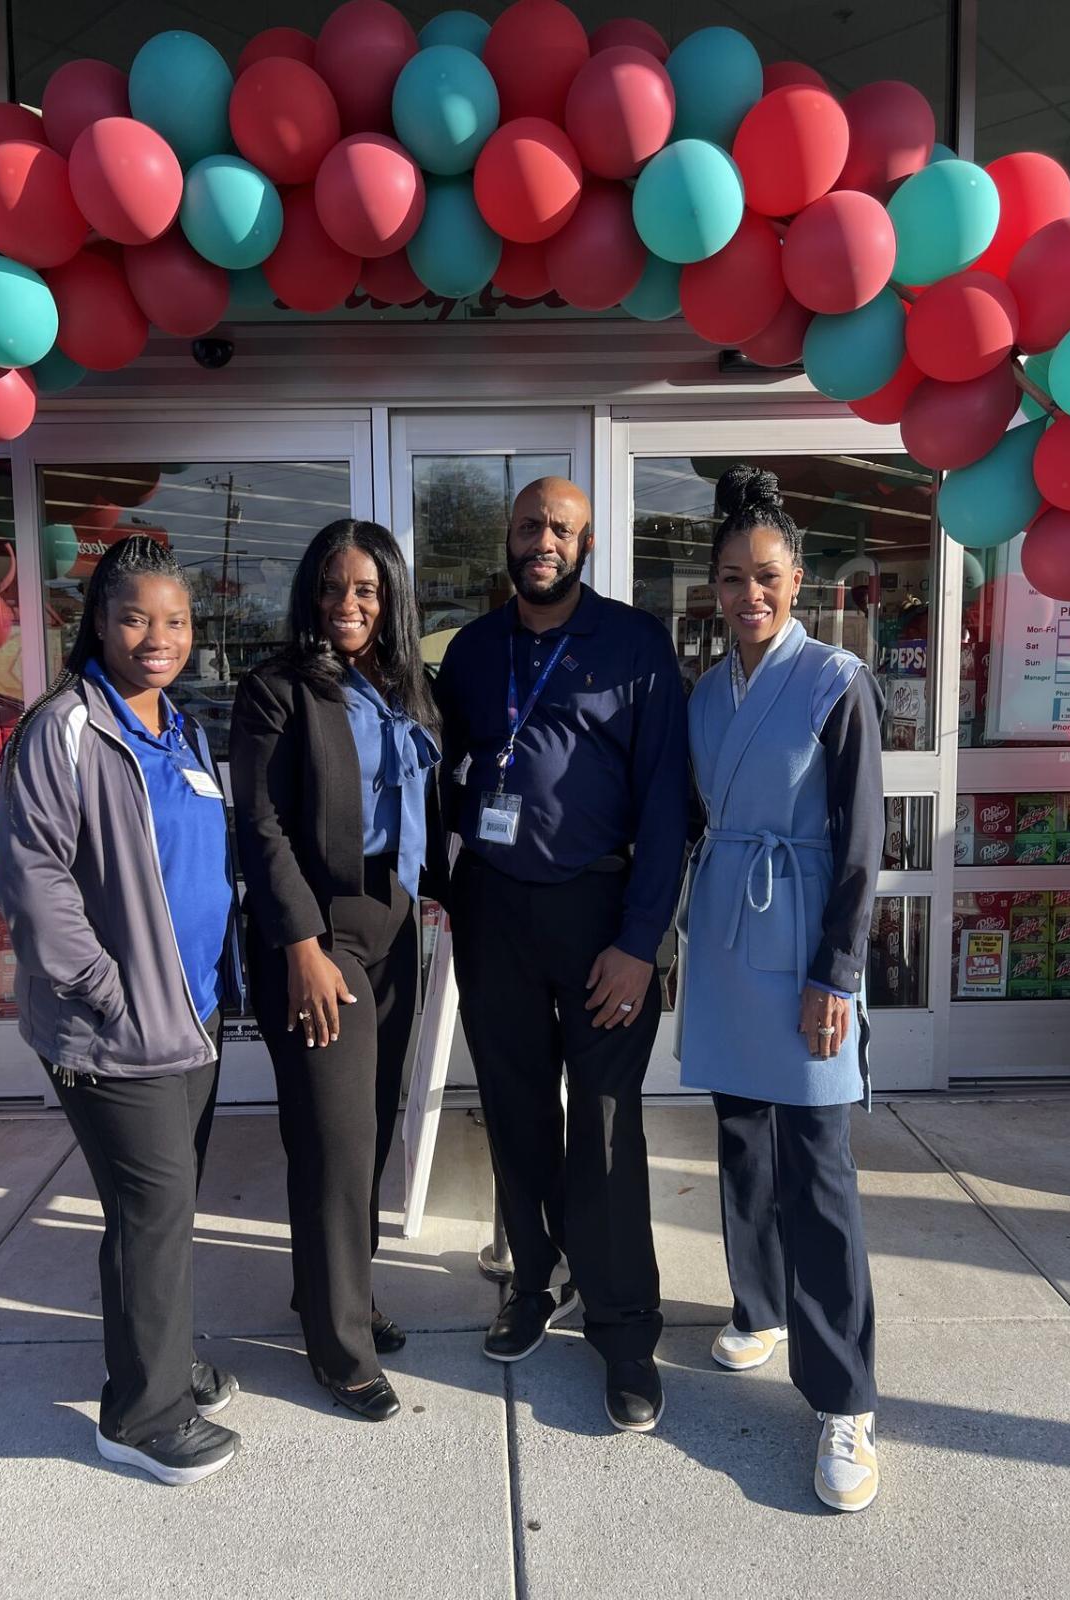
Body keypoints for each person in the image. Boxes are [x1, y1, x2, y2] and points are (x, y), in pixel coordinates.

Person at [434, 476, 687, 1433]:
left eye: (565, 529)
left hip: (602, 922)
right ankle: (535, 1281)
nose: (546, 539)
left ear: (585, 545)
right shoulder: (469, 651)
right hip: (494, 912)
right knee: (515, 1112)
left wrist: (638, 941)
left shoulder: (634, 647)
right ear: (508, 534)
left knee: (609, 1131)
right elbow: (448, 774)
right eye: (534, 523)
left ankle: (624, 1332)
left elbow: (667, 807)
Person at [0, 535, 243, 1486]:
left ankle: (163, 1360)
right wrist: (105, 988)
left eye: (174, 621)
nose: (157, 637)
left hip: (193, 1015)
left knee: (160, 1214)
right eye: (136, 616)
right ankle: (141, 1418)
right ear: (97, 620)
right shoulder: (64, 729)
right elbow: (34, 879)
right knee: (152, 1209)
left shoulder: (179, 728)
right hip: (113, 1028)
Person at [673, 465, 885, 1513]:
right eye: (729, 579)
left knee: (820, 1169)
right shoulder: (708, 694)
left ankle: (845, 1396)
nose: (748, 595)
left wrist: (836, 973)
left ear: (799, 579)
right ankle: (757, 1304)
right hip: (725, 931)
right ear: (711, 588)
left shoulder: (837, 681)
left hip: (803, 935)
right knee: (741, 1139)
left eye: (766, 576)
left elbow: (861, 842)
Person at [230, 519, 443, 1423]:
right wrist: (302, 947)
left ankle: (335, 1295)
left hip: (393, 924)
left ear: (389, 596)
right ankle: (338, 1349)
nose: (345, 605)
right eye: (329, 587)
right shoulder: (276, 691)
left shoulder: (405, 690)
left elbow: (424, 800)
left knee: (369, 1125)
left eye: (363, 589)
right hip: (318, 936)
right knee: (333, 1138)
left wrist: (432, 890)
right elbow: (264, 827)